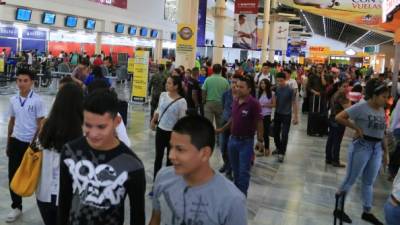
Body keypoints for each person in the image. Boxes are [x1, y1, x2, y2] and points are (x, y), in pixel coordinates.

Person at [57, 90, 146, 225]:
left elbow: (137, 216)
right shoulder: (70, 152)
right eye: (88, 125)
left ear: (116, 121)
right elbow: (64, 200)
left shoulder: (132, 164)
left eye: (101, 127)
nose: (93, 134)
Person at [148, 116, 247, 225]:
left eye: (180, 149)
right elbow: (155, 219)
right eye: (171, 147)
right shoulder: (163, 177)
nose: (171, 155)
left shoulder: (232, 201)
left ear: (204, 154)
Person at [334, 79, 389, 225]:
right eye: (383, 96)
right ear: (374, 95)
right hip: (362, 146)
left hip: (376, 148)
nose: (386, 100)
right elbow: (339, 117)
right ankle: (338, 208)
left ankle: (367, 211)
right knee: (351, 178)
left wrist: (386, 152)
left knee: (369, 182)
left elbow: (382, 131)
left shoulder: (381, 109)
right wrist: (356, 128)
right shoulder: (361, 107)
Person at [36, 83, 83, 225]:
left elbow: (38, 149)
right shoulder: (83, 130)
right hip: (71, 196)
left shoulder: (46, 126)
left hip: (44, 192)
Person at [6, 68, 46, 222]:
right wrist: (9, 142)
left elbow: (40, 124)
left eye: (25, 81)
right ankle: (16, 206)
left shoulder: (37, 100)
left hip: (31, 144)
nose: (22, 83)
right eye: (19, 80)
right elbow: (12, 121)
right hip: (16, 141)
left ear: (32, 82)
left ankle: (42, 206)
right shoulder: (13, 100)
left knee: (34, 176)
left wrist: (35, 143)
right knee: (13, 175)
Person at [218, 76, 264, 195]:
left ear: (249, 89)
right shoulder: (235, 101)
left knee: (244, 172)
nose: (237, 88)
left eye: (241, 87)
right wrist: (221, 129)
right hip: (232, 141)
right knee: (235, 170)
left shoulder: (254, 103)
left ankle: (242, 196)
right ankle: (237, 193)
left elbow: (259, 122)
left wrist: (260, 140)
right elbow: (233, 118)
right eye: (236, 86)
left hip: (246, 142)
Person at [150, 76, 187, 187]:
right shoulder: (163, 95)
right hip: (161, 130)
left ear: (176, 86)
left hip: (173, 134)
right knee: (158, 158)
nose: (167, 85)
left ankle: (168, 183)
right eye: (167, 83)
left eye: (169, 83)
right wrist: (153, 120)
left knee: (170, 160)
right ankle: (156, 183)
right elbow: (158, 109)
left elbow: (182, 120)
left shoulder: (182, 102)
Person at [273, 72, 299, 163]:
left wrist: (296, 117)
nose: (279, 83)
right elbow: (274, 101)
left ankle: (282, 153)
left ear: (285, 80)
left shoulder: (291, 90)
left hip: (287, 115)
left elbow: (294, 103)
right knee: (275, 133)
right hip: (277, 114)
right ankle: (279, 147)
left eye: (281, 81)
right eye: (278, 81)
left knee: (284, 134)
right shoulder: (276, 88)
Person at [325, 81, 351, 167]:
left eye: (347, 86)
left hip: (332, 118)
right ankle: (335, 161)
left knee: (331, 140)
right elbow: (348, 109)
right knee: (337, 141)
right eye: (344, 86)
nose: (346, 88)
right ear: (339, 87)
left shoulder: (335, 94)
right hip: (338, 120)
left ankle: (328, 158)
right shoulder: (341, 96)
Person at [219, 74, 240, 177]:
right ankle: (226, 164)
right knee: (223, 146)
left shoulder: (242, 96)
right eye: (232, 82)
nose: (234, 85)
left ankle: (229, 170)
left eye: (236, 83)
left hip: (236, 125)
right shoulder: (225, 94)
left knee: (231, 148)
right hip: (225, 122)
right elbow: (223, 107)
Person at [202, 64, 230, 129]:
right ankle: (219, 138)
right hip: (221, 104)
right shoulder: (225, 81)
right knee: (220, 124)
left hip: (209, 103)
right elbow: (228, 93)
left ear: (212, 70)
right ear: (220, 71)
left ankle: (210, 137)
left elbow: (203, 91)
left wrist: (203, 101)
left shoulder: (208, 79)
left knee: (208, 124)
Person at [257, 79, 275, 156]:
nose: (262, 85)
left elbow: (274, 105)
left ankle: (267, 148)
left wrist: (264, 105)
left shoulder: (272, 93)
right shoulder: (259, 93)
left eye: (264, 83)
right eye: (261, 84)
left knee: (265, 133)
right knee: (259, 133)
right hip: (259, 115)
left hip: (267, 115)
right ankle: (261, 148)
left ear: (267, 84)